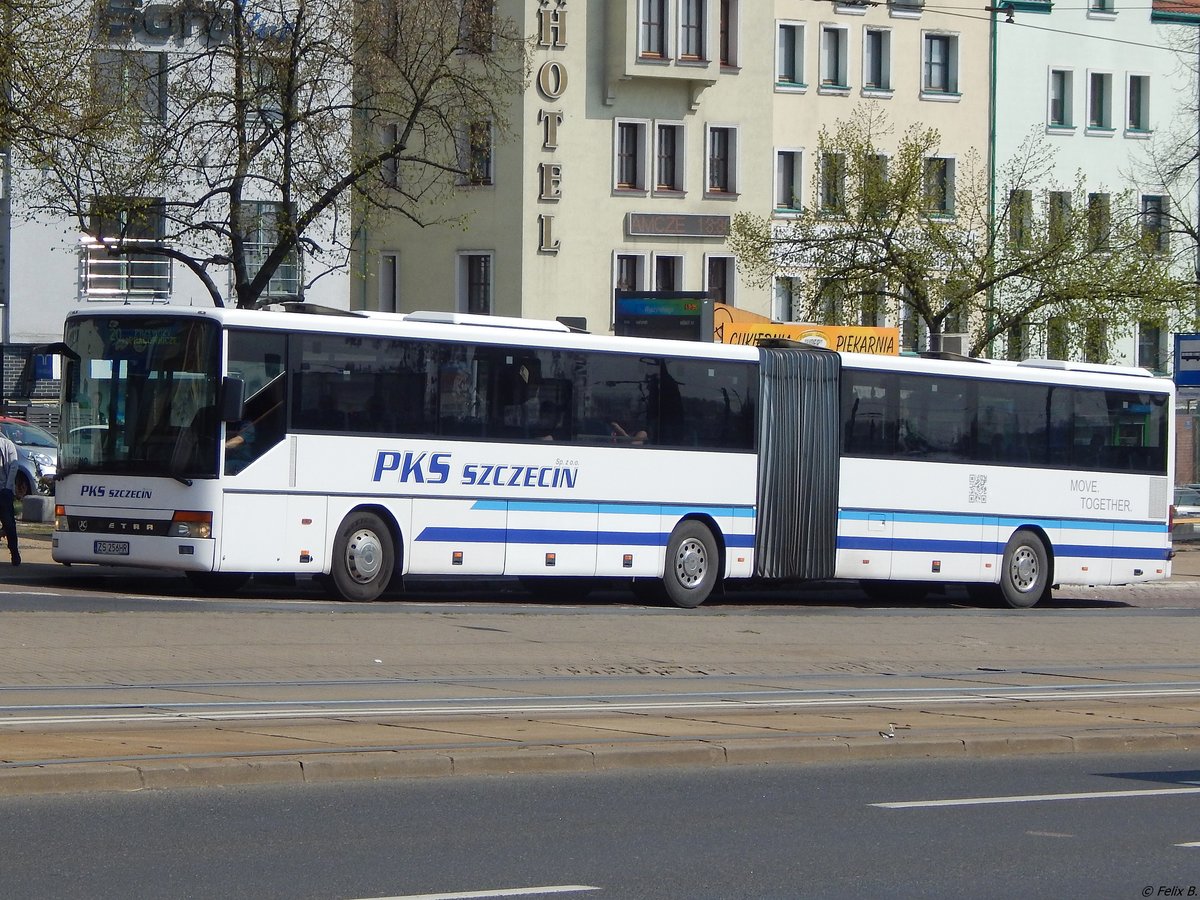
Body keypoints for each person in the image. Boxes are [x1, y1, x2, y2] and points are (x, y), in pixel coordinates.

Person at [0, 431, 21, 565]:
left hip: (3, 491)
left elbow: (14, 466)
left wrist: (8, 488)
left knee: (9, 524)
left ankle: (14, 552)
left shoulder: (7, 445)